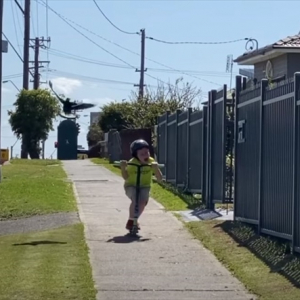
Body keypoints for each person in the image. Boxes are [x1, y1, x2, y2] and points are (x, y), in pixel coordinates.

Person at [120, 139, 163, 231]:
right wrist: (123, 168)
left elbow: (160, 178)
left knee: (142, 202)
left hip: (145, 186)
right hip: (131, 185)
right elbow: (126, 177)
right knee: (135, 199)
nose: (145, 155)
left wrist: (156, 169)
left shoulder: (151, 162)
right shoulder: (132, 163)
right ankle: (131, 221)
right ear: (136, 155)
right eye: (142, 154)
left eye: (147, 152)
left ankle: (133, 220)